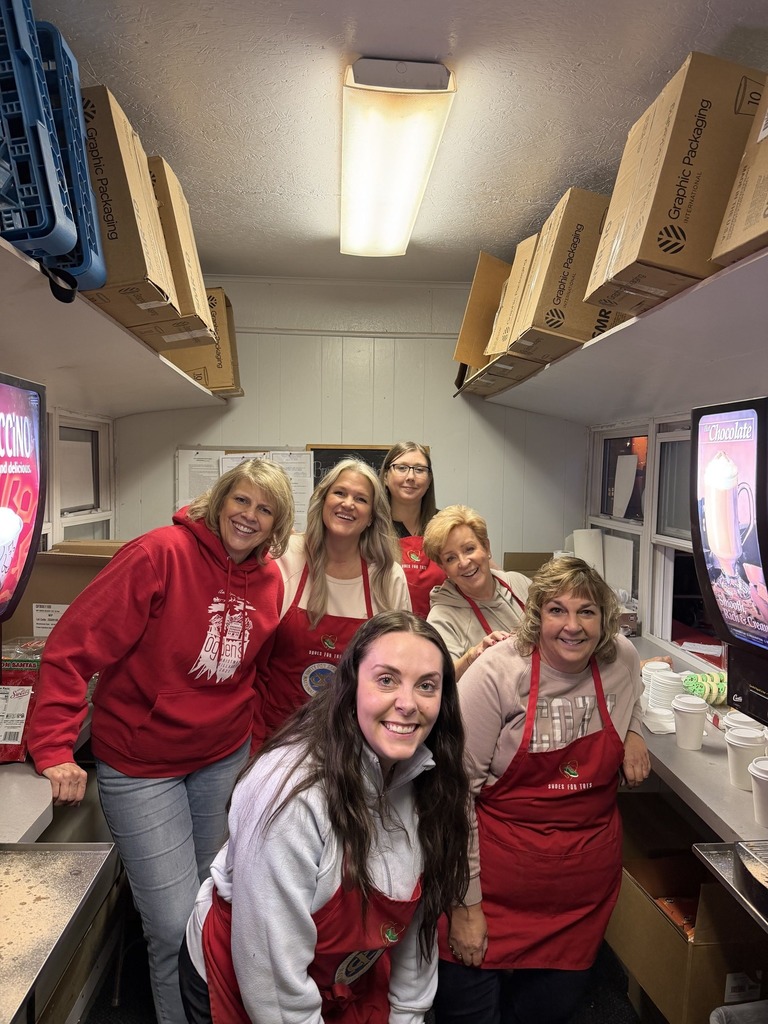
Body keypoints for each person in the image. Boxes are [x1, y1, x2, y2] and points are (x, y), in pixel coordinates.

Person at [27, 458, 295, 1024]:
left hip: (221, 760)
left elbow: (261, 671)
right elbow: (74, 646)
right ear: (220, 500)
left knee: (210, 910)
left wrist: (255, 746)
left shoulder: (270, 580)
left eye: (264, 509)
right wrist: (52, 747)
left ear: (278, 525)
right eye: (241, 501)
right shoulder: (159, 554)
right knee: (173, 925)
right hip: (143, 765)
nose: (249, 516)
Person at [179, 610, 471, 1024]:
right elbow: (271, 973)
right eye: (386, 680)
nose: (407, 704)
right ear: (351, 686)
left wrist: (409, 1015)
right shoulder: (291, 794)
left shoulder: (432, 779)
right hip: (252, 976)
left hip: (338, 972)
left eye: (426, 685)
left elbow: (416, 932)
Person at [433, 555, 651, 1024]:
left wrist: (635, 731)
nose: (572, 626)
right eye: (557, 610)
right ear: (536, 616)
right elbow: (452, 800)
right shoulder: (497, 672)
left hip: (577, 904)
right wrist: (465, 906)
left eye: (587, 611)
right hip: (489, 893)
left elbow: (636, 690)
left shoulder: (621, 658)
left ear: (605, 621)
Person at [256, 458, 411, 743]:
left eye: (361, 499)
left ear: (372, 517)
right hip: (276, 732)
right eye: (340, 493)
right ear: (323, 500)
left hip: (350, 737)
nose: (348, 503)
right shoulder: (283, 557)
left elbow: (399, 665)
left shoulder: (388, 578)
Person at [423, 505, 530, 679]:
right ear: (444, 568)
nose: (464, 562)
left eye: (469, 549)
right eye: (451, 558)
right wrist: (472, 657)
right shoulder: (442, 616)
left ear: (486, 548)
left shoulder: (519, 583)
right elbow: (441, 679)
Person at [380, 441, 446, 618]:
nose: (410, 477)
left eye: (419, 469)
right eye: (401, 468)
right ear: (386, 476)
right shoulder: (370, 525)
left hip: (442, 631)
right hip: (385, 631)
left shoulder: (446, 524)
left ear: (429, 479)